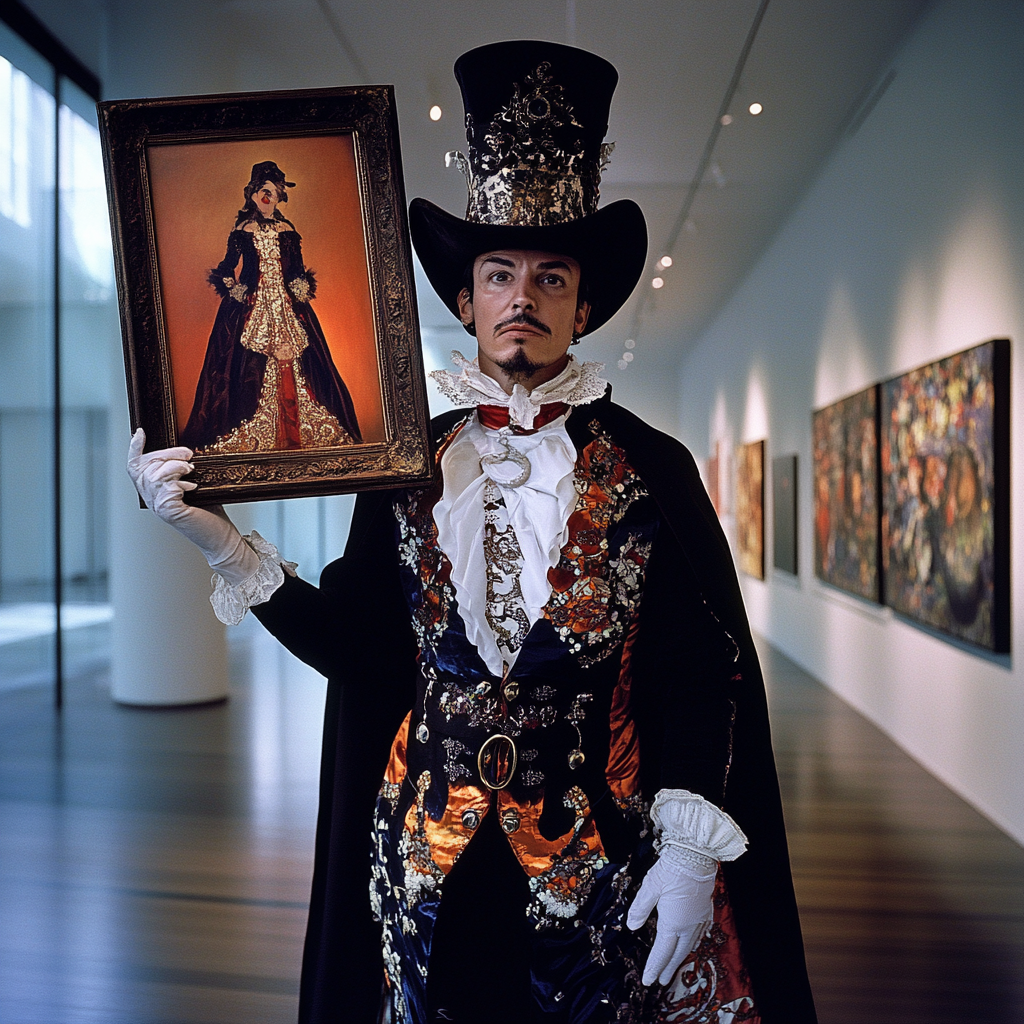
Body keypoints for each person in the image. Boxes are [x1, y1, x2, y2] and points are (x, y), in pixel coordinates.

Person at [128, 42, 817, 1024]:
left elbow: (698, 669)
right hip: (425, 874)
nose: (522, 297)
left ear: (582, 306)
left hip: (597, 869)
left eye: (549, 277)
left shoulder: (651, 465)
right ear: (465, 301)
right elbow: (362, 649)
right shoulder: (402, 465)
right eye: (499, 274)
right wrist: (211, 532)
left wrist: (689, 851)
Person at [179, 160, 362, 453]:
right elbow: (226, 269)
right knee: (241, 368)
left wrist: (301, 288)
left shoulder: (287, 230)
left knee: (308, 363)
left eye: (273, 192)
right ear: (252, 194)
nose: (268, 198)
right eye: (263, 191)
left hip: (287, 307)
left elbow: (298, 271)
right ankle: (257, 432)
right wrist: (237, 291)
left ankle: (299, 430)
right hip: (252, 307)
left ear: (279, 197)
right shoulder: (243, 230)